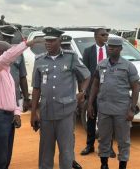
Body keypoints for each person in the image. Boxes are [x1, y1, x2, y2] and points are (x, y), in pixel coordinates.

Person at [31, 27, 90, 169]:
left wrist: (82, 92)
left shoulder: (71, 58)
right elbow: (36, 88)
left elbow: (86, 75)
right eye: (46, 41)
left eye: (52, 41)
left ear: (59, 41)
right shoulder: (39, 60)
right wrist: (33, 112)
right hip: (46, 113)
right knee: (45, 152)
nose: (48, 43)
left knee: (66, 151)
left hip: (66, 113)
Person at [0, 38, 41, 169]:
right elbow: (6, 58)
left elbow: (12, 96)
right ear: (2, 53)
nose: (14, 56)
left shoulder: (7, 72)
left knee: (5, 158)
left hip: (7, 118)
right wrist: (26, 44)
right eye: (9, 52)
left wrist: (16, 112)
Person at [87, 36, 140, 169]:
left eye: (114, 47)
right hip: (104, 109)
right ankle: (104, 165)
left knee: (123, 141)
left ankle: (122, 165)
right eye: (109, 46)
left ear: (120, 49)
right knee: (103, 139)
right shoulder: (102, 64)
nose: (111, 48)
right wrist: (90, 103)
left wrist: (132, 109)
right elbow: (95, 84)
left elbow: (135, 87)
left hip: (122, 110)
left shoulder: (128, 66)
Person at [81, 28, 116, 158]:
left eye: (107, 35)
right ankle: (90, 146)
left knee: (108, 120)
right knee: (91, 118)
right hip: (92, 91)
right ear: (96, 36)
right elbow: (84, 72)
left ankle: (109, 148)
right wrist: (85, 90)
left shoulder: (111, 51)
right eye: (103, 35)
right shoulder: (88, 51)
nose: (106, 37)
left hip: (107, 91)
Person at [0, 25, 31, 112]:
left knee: (14, 123)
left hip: (14, 97)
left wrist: (26, 99)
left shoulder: (17, 53)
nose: (7, 41)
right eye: (5, 38)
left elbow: (22, 77)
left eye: (10, 39)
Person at [60, 35, 83, 169]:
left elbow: (82, 78)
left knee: (70, 132)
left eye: (68, 45)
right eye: (64, 46)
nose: (66, 48)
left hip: (70, 102)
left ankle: (71, 159)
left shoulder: (74, 59)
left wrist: (81, 96)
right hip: (53, 104)